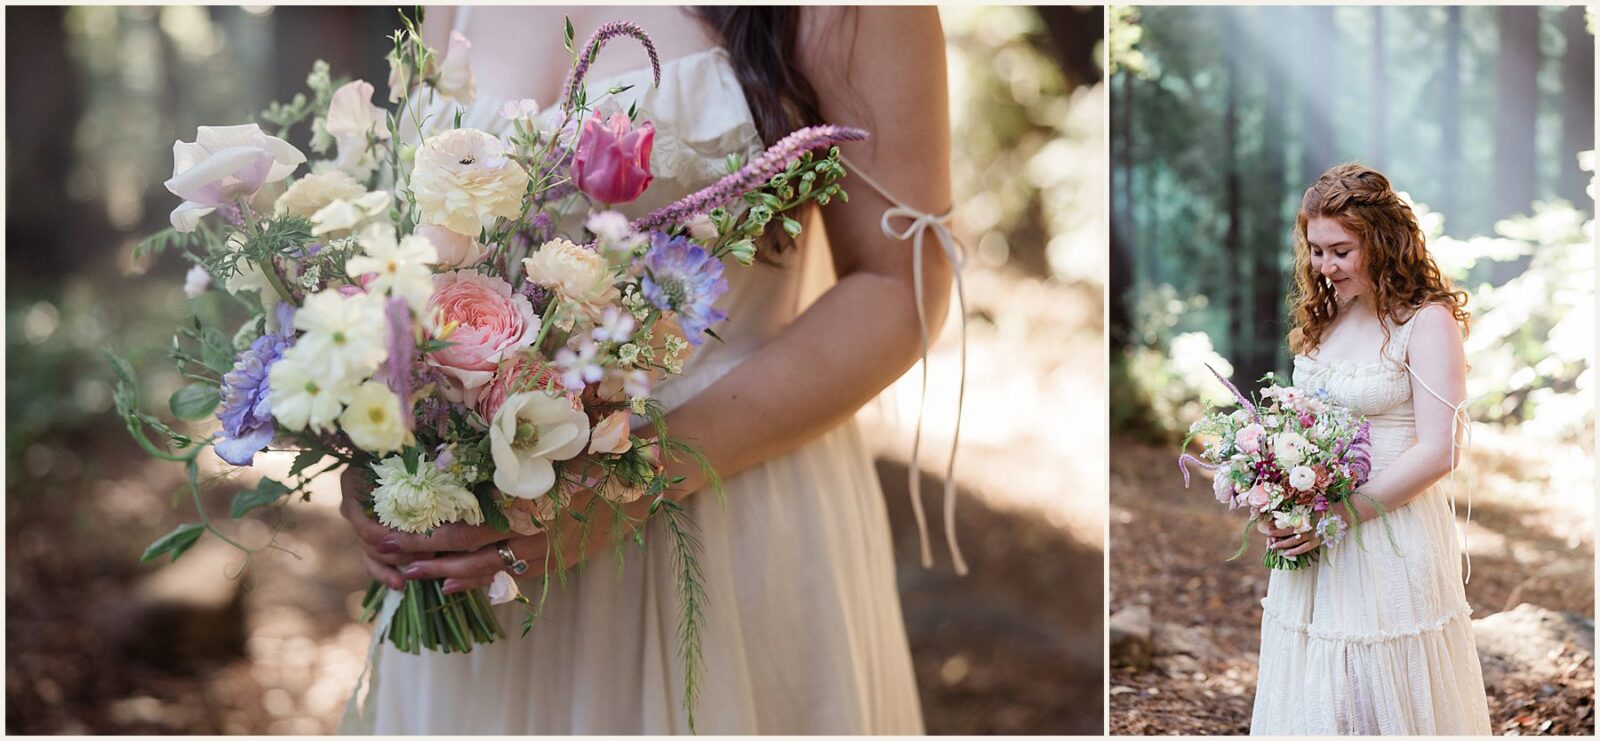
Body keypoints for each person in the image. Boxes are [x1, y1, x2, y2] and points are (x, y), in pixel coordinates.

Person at [336, 6, 957, 734]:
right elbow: (417, 255)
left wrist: (622, 491)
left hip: (719, 526)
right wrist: (384, 443)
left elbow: (899, 287)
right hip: (484, 567)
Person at [1250, 163, 1491, 735]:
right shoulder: (1326, 317)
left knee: (1376, 694)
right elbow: (1299, 424)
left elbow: (1439, 450)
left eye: (1341, 251)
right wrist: (1277, 494)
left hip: (1389, 534)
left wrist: (1339, 515)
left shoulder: (1426, 323)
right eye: (1315, 251)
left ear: (1381, 243)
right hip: (1316, 541)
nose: (1324, 267)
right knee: (1318, 693)